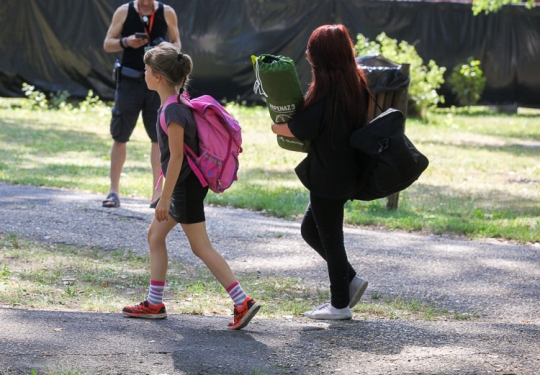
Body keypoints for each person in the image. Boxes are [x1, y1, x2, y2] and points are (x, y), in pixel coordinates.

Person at [121, 42, 261, 330]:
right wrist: (162, 187)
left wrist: (164, 197)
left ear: (157, 76)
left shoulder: (172, 112)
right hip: (186, 185)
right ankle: (154, 302)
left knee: (200, 246)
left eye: (147, 69)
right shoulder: (176, 104)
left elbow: (177, 158)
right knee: (155, 236)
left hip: (185, 188)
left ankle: (242, 301)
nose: (144, 73)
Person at [271, 24, 370, 320]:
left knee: (330, 238)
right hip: (347, 171)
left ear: (323, 57)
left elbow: (300, 128)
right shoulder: (355, 85)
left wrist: (277, 125)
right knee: (310, 230)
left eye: (311, 51)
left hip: (328, 176)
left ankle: (339, 305)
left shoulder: (328, 94)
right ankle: (350, 280)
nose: (307, 55)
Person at [102, 0, 181, 209]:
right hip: (129, 82)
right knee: (120, 136)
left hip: (156, 85)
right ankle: (113, 191)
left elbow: (177, 44)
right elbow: (107, 43)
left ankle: (157, 194)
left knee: (158, 139)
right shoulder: (124, 11)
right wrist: (126, 42)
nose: (145, 2)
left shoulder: (166, 12)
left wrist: (163, 47)